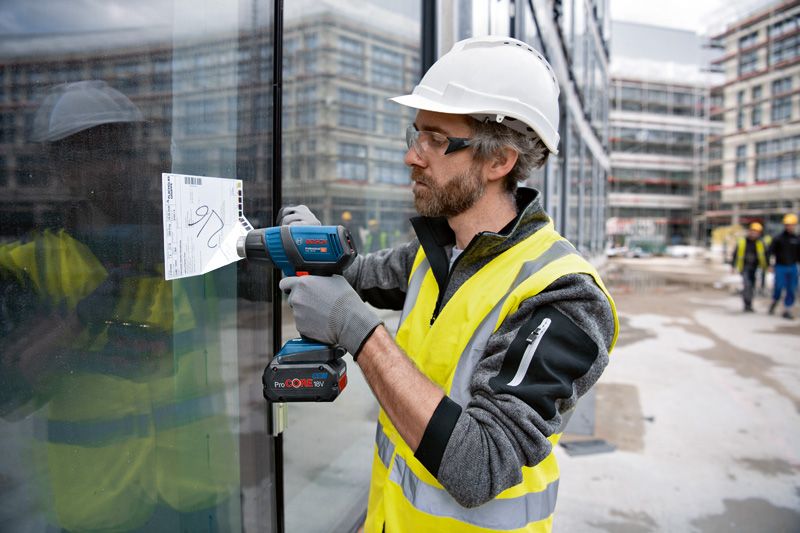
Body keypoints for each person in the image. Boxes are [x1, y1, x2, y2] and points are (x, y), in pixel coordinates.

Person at [278, 36, 618, 533]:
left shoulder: (566, 296)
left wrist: (357, 330)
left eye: (436, 140)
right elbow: (357, 275)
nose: (412, 157)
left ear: (499, 161)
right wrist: (314, 245)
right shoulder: (435, 252)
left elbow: (481, 466)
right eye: (416, 135)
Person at [0, 81, 236, 531]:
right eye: (93, 155)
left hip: (196, 492)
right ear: (61, 168)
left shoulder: (187, 243)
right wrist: (77, 322)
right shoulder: (31, 264)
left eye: (121, 150)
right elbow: (8, 390)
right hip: (98, 506)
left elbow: (262, 279)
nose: (113, 167)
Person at [767, 213, 800, 319]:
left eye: (792, 225)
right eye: (788, 225)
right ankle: (775, 300)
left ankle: (787, 309)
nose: (790, 227)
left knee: (791, 288)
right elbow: (769, 252)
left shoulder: (797, 239)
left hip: (793, 267)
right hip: (780, 266)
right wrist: (770, 265)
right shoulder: (778, 238)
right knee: (779, 287)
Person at [730, 222, 767, 312]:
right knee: (747, 285)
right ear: (750, 231)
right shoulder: (743, 242)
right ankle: (747, 303)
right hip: (744, 267)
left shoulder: (760, 243)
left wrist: (766, 266)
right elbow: (735, 254)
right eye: (753, 231)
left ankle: (749, 304)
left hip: (755, 268)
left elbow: (765, 255)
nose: (754, 233)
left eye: (756, 232)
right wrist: (733, 266)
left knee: (752, 286)